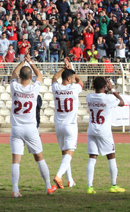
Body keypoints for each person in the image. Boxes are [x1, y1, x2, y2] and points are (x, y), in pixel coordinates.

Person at [10, 54, 57, 197]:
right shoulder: (34, 88)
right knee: (39, 157)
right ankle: (48, 186)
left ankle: (15, 190)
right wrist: (31, 62)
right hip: (31, 128)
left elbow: (13, 73)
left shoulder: (14, 86)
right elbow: (40, 76)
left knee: (16, 160)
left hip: (16, 128)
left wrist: (23, 61)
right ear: (30, 78)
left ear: (20, 77)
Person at [86, 77, 126, 194]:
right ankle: (113, 185)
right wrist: (112, 90)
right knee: (111, 156)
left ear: (94, 87)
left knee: (92, 158)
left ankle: (90, 187)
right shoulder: (109, 98)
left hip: (92, 129)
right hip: (104, 131)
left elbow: (99, 97)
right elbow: (122, 102)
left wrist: (105, 90)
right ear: (105, 87)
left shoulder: (89, 97)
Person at [51, 58, 83, 189]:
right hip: (70, 125)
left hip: (58, 125)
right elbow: (80, 81)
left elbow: (54, 77)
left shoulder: (56, 87)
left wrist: (64, 68)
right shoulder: (74, 88)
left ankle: (70, 180)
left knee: (65, 154)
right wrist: (72, 70)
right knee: (69, 153)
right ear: (69, 79)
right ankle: (58, 176)